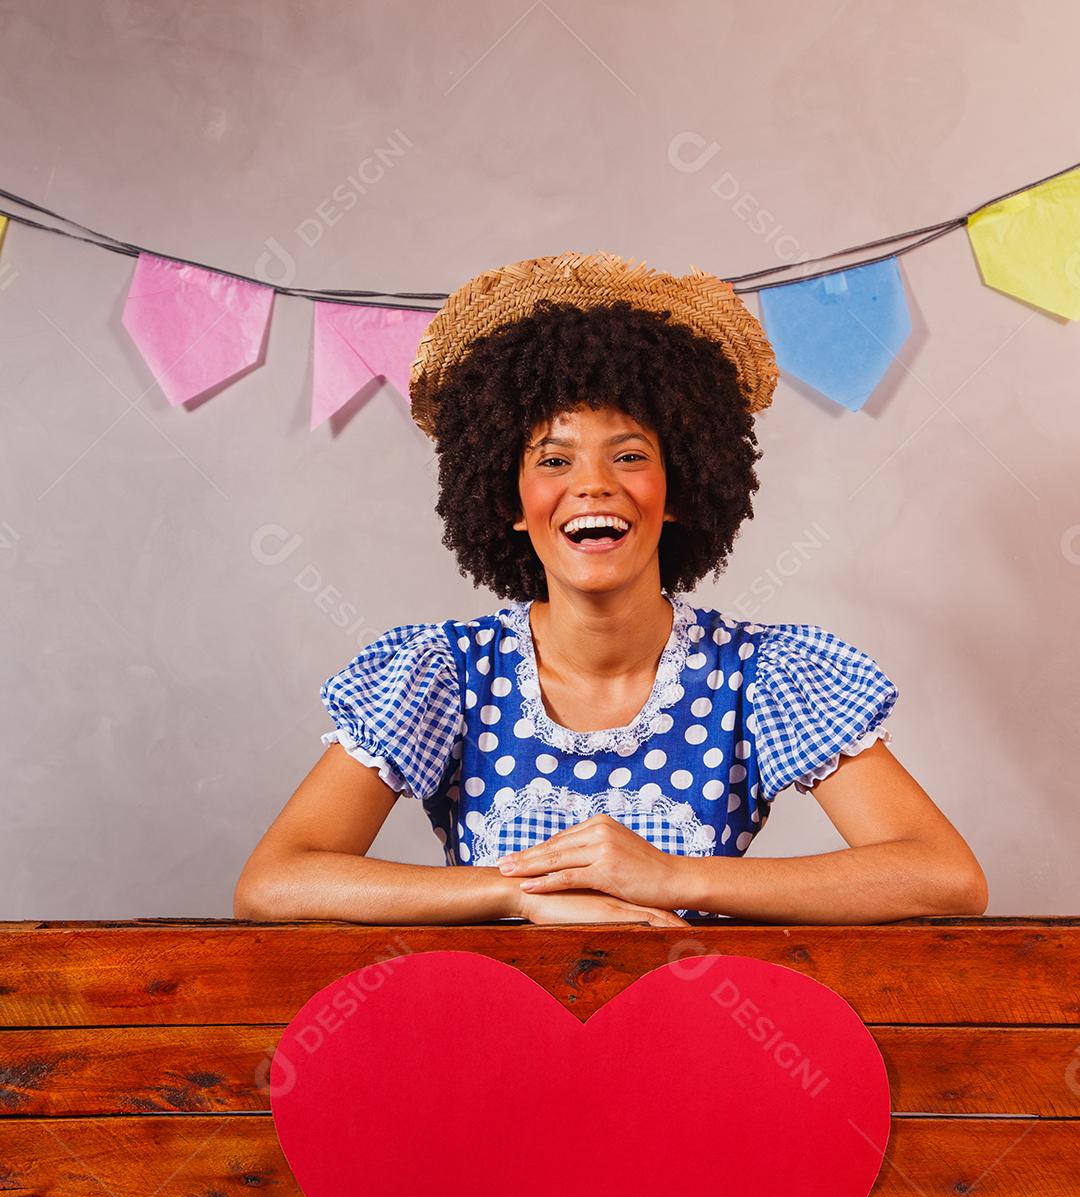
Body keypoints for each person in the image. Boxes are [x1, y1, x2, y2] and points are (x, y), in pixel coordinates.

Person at [234, 251, 988, 928]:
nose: (592, 484)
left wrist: (670, 878)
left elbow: (941, 875)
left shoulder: (763, 676)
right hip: (496, 1060)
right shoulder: (445, 674)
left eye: (629, 455)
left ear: (681, 488)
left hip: (695, 1048)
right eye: (553, 460)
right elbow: (274, 884)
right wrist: (515, 894)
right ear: (508, 501)